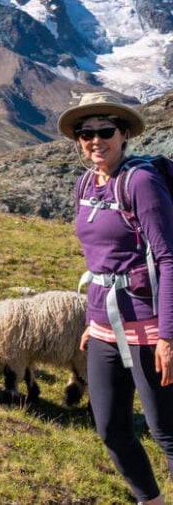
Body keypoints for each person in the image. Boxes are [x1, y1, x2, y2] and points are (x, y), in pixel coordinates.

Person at [58, 91, 173, 505]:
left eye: (105, 130)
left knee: (166, 432)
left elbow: (168, 257)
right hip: (105, 326)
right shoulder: (85, 184)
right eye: (86, 132)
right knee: (110, 428)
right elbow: (98, 260)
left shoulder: (140, 181)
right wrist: (92, 321)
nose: (95, 140)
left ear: (123, 134)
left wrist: (168, 336)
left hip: (149, 325)